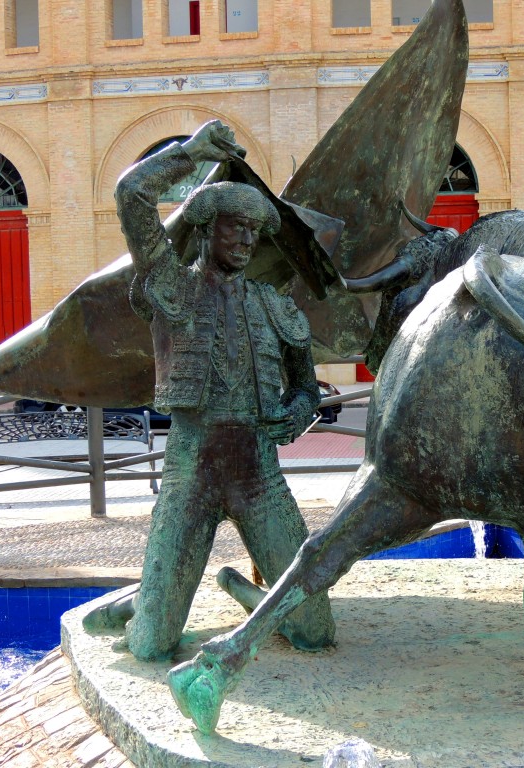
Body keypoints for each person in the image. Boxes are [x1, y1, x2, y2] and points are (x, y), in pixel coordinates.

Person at [109, 120, 336, 662]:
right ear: (207, 229)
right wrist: (188, 153)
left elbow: (308, 389)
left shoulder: (272, 303)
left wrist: (298, 410)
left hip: (259, 474)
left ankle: (245, 592)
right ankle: (142, 606)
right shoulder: (172, 284)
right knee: (151, 647)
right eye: (234, 228)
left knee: (315, 631)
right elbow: (131, 194)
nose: (245, 241)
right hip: (192, 471)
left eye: (253, 233)